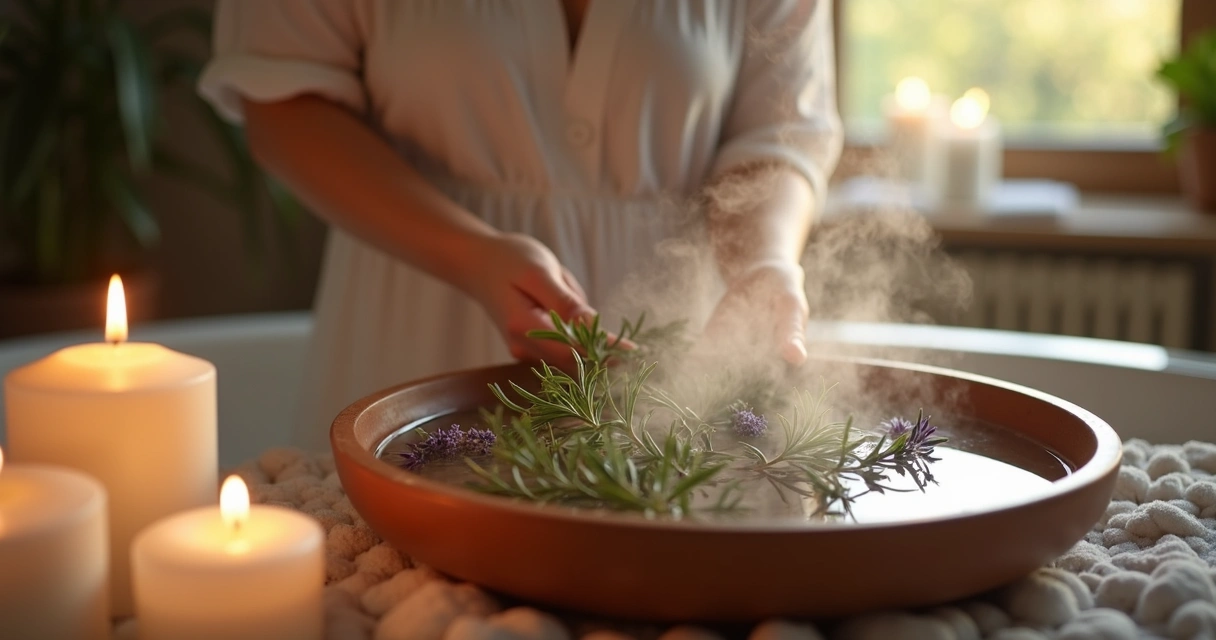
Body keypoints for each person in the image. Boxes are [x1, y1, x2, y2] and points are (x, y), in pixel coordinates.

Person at [199, 0, 843, 451]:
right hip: (416, 320)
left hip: (674, 359)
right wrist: (473, 256)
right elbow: (284, 104)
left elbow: (776, 135)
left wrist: (763, 262)